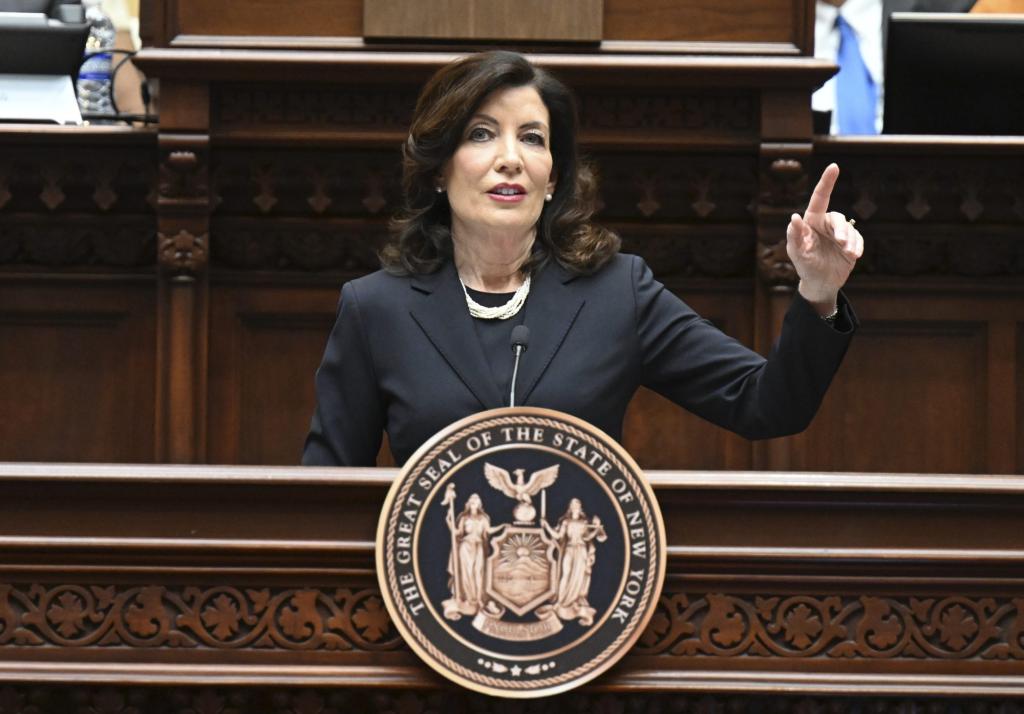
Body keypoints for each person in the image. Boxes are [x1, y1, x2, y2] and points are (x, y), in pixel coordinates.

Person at [302, 51, 863, 468]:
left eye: (531, 138)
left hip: (585, 601)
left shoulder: (618, 292)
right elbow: (323, 490)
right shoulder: (376, 308)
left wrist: (818, 292)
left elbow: (766, 405)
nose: (509, 159)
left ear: (553, 178)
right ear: (438, 170)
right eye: (480, 135)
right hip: (428, 602)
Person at [542, 498, 607, 626]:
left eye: (577, 504)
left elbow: (587, 537)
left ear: (580, 506)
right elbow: (558, 536)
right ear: (570, 507)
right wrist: (546, 526)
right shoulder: (566, 521)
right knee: (566, 574)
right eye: (572, 504)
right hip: (570, 549)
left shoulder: (585, 522)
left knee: (579, 576)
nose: (575, 506)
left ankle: (575, 599)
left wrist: (596, 529)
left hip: (581, 550)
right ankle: (561, 600)